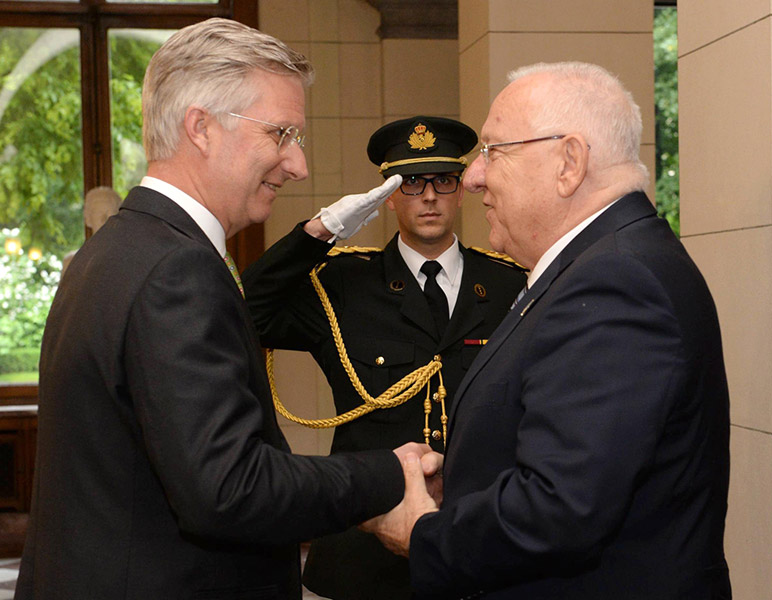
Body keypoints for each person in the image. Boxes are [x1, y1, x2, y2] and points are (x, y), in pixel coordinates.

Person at [15, 18, 438, 600]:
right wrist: (390, 474)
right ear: (201, 127)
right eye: (281, 134)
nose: (299, 166)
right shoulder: (177, 270)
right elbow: (228, 488)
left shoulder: (112, 252)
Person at [363, 62, 732, 599]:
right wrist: (464, 479)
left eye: (494, 151)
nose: (473, 176)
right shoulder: (599, 263)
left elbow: (561, 508)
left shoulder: (615, 280)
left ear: (569, 162)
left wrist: (424, 533)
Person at [242, 116, 527, 599]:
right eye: (412, 183)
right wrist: (318, 233)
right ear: (389, 195)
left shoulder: (508, 284)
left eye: (443, 180)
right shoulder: (344, 283)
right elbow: (241, 311)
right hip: (365, 550)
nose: (430, 196)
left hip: (479, 540)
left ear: (462, 191)